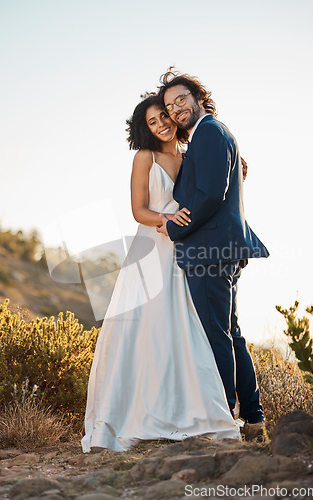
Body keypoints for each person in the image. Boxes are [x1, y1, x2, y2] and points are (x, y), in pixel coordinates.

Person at [81, 93, 241, 453]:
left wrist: (237, 164)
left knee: (184, 331)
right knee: (146, 331)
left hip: (185, 248)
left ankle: (188, 410)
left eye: (165, 117)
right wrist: (165, 219)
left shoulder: (189, 154)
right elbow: (138, 210)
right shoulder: (145, 157)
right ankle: (136, 412)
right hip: (151, 248)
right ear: (146, 129)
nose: (162, 125)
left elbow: (211, 183)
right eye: (153, 122)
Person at [157, 69, 269, 427]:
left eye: (181, 99)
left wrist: (174, 229)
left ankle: (224, 418)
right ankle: (252, 419)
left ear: (198, 97)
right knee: (230, 334)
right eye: (169, 106)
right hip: (224, 250)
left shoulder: (209, 132)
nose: (175, 109)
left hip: (209, 251)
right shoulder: (214, 134)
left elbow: (209, 195)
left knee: (214, 336)